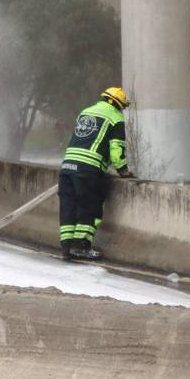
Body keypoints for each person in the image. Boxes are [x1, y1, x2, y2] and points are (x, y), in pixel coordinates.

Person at [59, 87, 135, 262]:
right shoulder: (116, 118)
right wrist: (123, 170)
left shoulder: (86, 111)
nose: (122, 110)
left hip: (67, 166)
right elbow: (116, 149)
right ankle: (81, 246)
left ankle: (67, 247)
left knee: (68, 207)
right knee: (90, 206)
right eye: (122, 107)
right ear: (118, 104)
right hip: (88, 168)